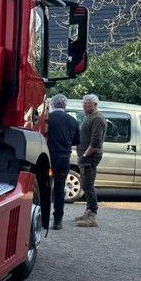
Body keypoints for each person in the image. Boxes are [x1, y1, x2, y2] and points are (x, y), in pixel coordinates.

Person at [46, 94, 79, 230]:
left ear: (53, 104)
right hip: (64, 158)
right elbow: (77, 141)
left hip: (49, 157)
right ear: (65, 105)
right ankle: (58, 220)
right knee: (60, 188)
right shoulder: (72, 120)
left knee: (46, 186)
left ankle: (43, 218)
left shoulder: (48, 119)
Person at [76, 93, 107, 228]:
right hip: (86, 157)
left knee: (88, 185)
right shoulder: (90, 117)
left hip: (90, 157)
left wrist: (84, 155)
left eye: (87, 104)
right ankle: (88, 212)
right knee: (86, 185)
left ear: (95, 105)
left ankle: (92, 216)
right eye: (84, 104)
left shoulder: (98, 119)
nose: (84, 107)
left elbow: (96, 141)